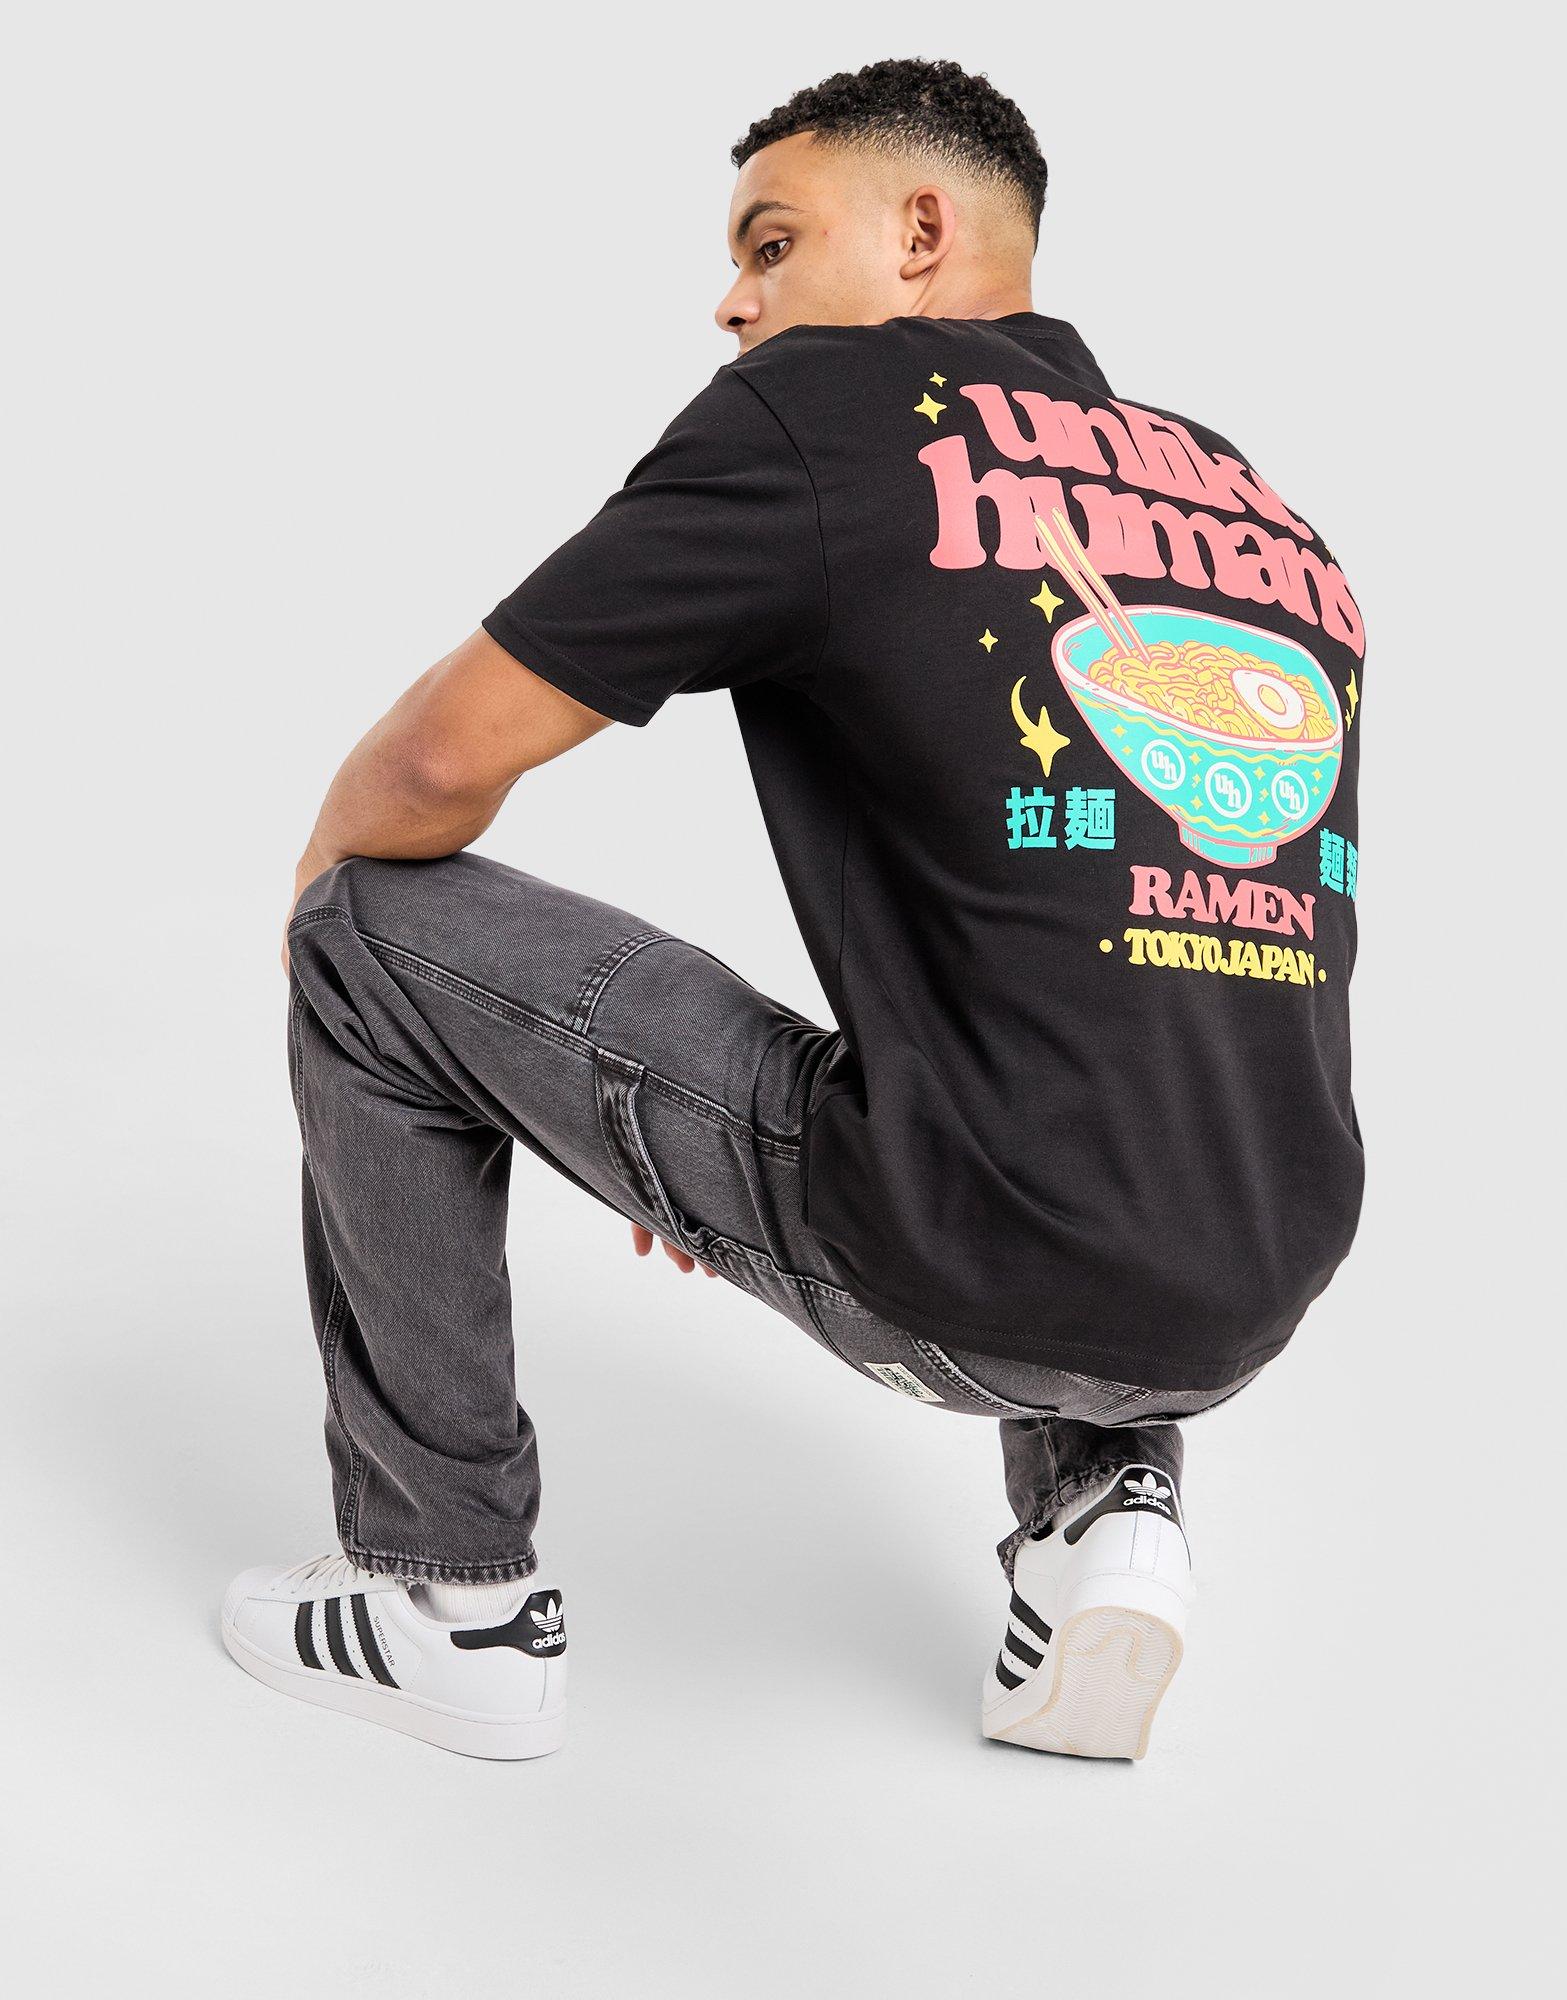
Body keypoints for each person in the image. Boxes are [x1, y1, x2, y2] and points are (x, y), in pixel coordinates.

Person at [222, 58, 1365, 1763]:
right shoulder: (1251, 504)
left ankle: (440, 1593)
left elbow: (442, 759)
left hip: (961, 1266)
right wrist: (660, 1117)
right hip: (1254, 1288)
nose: (733, 302)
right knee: (1121, 968)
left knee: (366, 937)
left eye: (770, 243)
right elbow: (1148, 949)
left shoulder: (829, 414)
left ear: (921, 234)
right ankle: (1107, 1505)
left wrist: (320, 896)